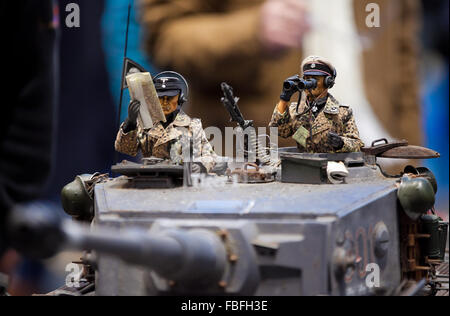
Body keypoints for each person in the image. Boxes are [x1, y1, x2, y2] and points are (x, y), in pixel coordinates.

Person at [115, 71, 218, 173]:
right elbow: (125, 149)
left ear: (180, 98)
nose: (164, 102)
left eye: (170, 97)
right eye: (160, 97)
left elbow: (209, 156)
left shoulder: (192, 126)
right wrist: (130, 123)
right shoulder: (145, 125)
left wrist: (199, 165)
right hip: (150, 179)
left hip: (181, 181)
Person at [269, 56, 364, 153]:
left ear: (328, 82)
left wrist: (341, 143)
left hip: (331, 164)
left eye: (315, 79)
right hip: (303, 164)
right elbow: (279, 131)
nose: (309, 84)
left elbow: (357, 144)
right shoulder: (296, 110)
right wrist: (284, 98)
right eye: (306, 79)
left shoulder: (342, 112)